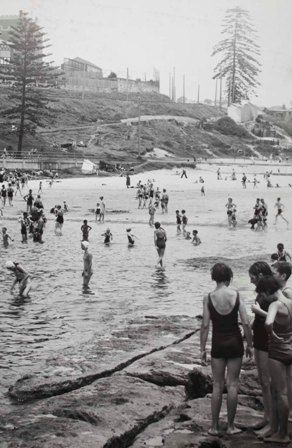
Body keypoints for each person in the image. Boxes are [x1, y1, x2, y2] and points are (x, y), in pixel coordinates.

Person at [200, 263, 253, 436]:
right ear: (229, 277)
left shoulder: (208, 297)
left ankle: (214, 427)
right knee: (233, 384)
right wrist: (250, 345)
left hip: (218, 343)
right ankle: (230, 426)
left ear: (214, 277)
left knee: (217, 385)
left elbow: (205, 325)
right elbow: (245, 322)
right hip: (235, 342)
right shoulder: (236, 295)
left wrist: (202, 349)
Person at [253, 276, 292, 444]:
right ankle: (277, 429)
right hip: (290, 348)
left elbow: (268, 322)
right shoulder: (290, 302)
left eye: (263, 294)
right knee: (283, 391)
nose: (264, 297)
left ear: (269, 291)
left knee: (280, 392)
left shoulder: (275, 304)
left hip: (277, 352)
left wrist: (272, 333)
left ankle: (282, 435)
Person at [249, 262, 274, 435]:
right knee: (263, 381)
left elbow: (278, 318)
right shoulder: (262, 293)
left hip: (266, 340)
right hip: (258, 338)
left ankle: (272, 421)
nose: (250, 281)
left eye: (251, 277)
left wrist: (258, 313)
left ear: (258, 276)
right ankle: (267, 416)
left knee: (268, 382)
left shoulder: (270, 295)